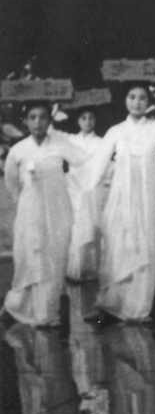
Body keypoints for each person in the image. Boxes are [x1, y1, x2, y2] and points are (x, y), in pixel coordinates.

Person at [90, 68, 155, 322]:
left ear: (149, 101)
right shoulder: (116, 131)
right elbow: (96, 167)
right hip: (120, 199)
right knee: (119, 244)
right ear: (125, 100)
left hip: (147, 197)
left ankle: (138, 308)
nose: (137, 102)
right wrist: (92, 198)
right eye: (132, 97)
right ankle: (113, 301)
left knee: (144, 245)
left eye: (142, 98)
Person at [3, 102, 91, 327]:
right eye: (32, 117)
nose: (38, 122)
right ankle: (21, 306)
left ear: (49, 121)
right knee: (29, 257)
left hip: (58, 210)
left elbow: (84, 161)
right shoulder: (18, 150)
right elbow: (11, 181)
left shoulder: (60, 144)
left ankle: (47, 312)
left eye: (43, 117)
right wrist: (26, 201)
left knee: (55, 257)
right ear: (26, 122)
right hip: (30, 211)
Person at [57, 106, 110, 282]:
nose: (88, 122)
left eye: (91, 118)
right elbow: (52, 132)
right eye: (84, 118)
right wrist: (55, 112)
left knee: (93, 227)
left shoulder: (101, 142)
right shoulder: (71, 140)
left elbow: (103, 166)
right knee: (75, 227)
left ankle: (91, 270)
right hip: (75, 188)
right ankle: (74, 270)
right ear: (78, 121)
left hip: (93, 189)